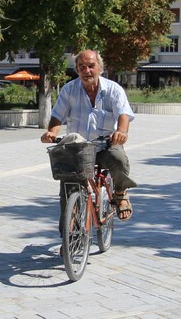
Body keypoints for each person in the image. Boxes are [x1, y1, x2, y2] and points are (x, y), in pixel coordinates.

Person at [41, 49, 137, 237]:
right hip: (78, 148)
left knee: (118, 158)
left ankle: (120, 192)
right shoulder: (70, 89)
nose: (87, 71)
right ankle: (69, 237)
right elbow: (57, 116)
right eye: (81, 67)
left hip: (106, 145)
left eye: (91, 66)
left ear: (99, 68)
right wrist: (52, 132)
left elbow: (123, 115)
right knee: (68, 187)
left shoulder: (113, 90)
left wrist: (121, 132)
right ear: (77, 70)